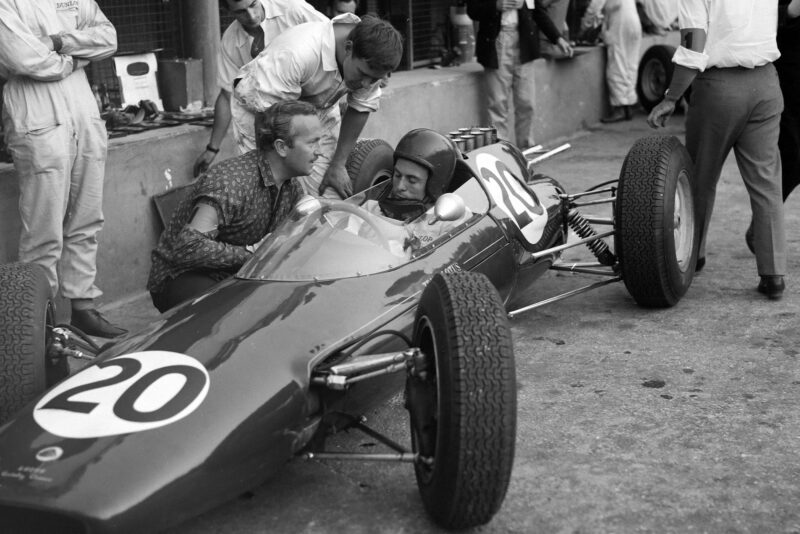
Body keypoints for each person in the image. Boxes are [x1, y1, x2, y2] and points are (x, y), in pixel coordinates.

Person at [0, 0, 126, 337]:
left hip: (83, 114)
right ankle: (38, 325)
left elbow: (109, 38)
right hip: (37, 116)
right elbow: (24, 58)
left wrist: (58, 43)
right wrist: (78, 57)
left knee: (87, 220)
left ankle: (83, 308)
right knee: (43, 232)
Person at [647, 0, 786, 300]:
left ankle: (692, 254)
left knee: (699, 176)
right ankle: (773, 274)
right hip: (765, 83)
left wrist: (671, 97)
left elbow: (694, 45)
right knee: (767, 183)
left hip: (719, 88)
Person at [148, 101, 323, 312]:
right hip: (180, 275)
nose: (319, 151)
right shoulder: (231, 182)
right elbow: (188, 247)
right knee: (232, 317)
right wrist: (252, 254)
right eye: (312, 143)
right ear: (282, 147)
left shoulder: (291, 186)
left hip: (237, 273)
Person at [231, 13, 403, 199]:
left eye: (375, 79)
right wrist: (278, 172)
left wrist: (338, 164)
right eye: (362, 75)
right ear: (348, 48)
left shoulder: (371, 60)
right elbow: (268, 119)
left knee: (329, 193)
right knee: (270, 189)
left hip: (319, 107)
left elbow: (360, 107)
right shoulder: (297, 53)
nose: (366, 84)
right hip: (261, 109)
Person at [193, 0, 326, 177]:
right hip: (268, 125)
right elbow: (227, 96)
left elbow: (333, 40)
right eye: (241, 12)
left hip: (315, 112)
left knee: (318, 177)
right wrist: (212, 148)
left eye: (253, 4)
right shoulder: (230, 40)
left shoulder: (293, 9)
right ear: (228, 11)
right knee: (267, 181)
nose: (251, 15)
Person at [467, 0, 574, 150]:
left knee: (527, 101)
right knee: (498, 103)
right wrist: (495, 5)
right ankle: (499, 151)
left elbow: (538, 11)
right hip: (497, 41)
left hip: (524, 42)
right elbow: (473, 10)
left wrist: (557, 38)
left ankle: (526, 147)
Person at [745, 0, 800, 254]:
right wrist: (789, 11)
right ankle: (762, 228)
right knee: (791, 158)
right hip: (784, 79)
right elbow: (755, 17)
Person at [360, 129, 472, 252]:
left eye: (412, 180)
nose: (400, 186)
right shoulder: (370, 209)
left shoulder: (450, 218)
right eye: (397, 175)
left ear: (434, 184)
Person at [581, 0, 642, 122]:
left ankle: (619, 109)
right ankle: (629, 105)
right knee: (630, 64)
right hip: (634, 22)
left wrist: (584, 26)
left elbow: (594, 7)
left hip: (620, 24)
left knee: (617, 66)